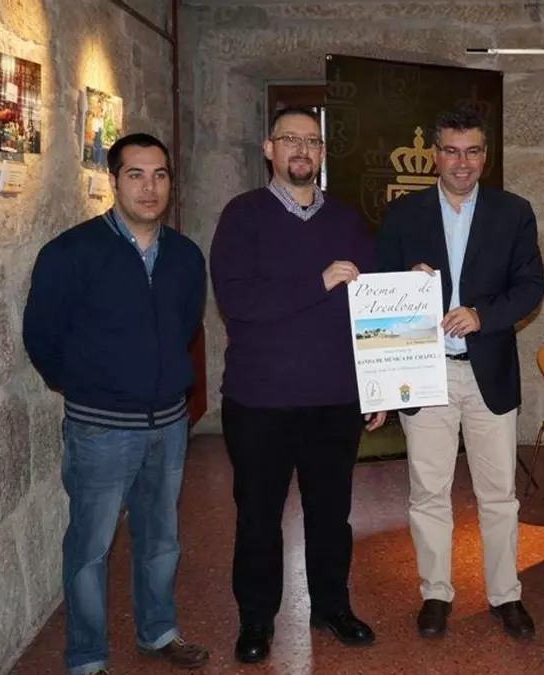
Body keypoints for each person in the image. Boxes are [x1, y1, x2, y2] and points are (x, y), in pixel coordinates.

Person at [22, 132, 210, 675]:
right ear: (113, 181)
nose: (149, 188)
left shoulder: (185, 256)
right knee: (90, 547)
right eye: (135, 175)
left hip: (168, 425)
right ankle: (86, 658)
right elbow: (42, 337)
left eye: (159, 175)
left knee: (161, 539)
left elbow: (185, 326)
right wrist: (88, 386)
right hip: (101, 429)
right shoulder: (70, 253)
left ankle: (158, 632)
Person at [210, 106, 387, 665]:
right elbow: (238, 300)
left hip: (335, 400)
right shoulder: (242, 216)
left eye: (312, 141)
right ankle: (256, 618)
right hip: (260, 401)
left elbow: (371, 306)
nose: (302, 150)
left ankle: (331, 607)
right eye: (290, 139)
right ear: (269, 149)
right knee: (259, 516)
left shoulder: (347, 222)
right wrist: (319, 281)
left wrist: (379, 383)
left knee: (331, 516)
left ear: (322, 153)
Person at [376, 103, 544, 641]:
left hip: (488, 371)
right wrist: (404, 279)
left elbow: (530, 287)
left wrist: (482, 315)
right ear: (434, 155)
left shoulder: (513, 212)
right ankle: (435, 593)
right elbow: (377, 287)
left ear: (485, 156)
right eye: (451, 151)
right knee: (428, 490)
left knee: (499, 493)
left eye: (472, 151)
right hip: (425, 371)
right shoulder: (403, 215)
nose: (462, 162)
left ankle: (505, 594)